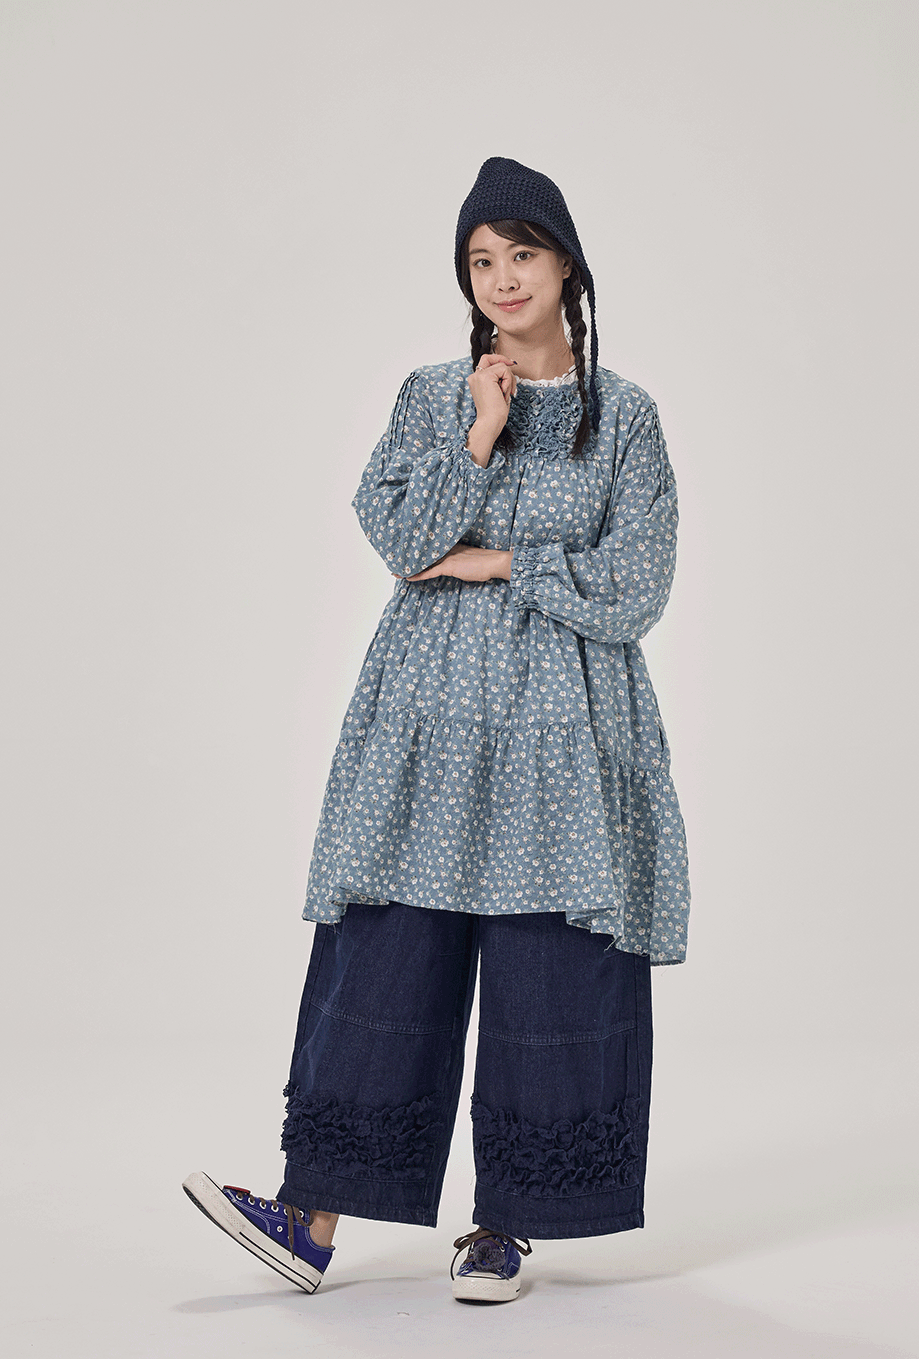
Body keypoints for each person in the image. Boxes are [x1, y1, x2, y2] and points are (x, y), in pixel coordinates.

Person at [183, 156, 691, 1306]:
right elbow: (399, 538)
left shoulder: (624, 419)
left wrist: (498, 561)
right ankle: (308, 1219)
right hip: (428, 714)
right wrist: (478, 431)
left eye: (522, 253)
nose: (501, 277)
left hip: (566, 725)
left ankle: (506, 1226)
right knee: (386, 944)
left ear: (567, 265)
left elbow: (637, 584)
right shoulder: (431, 397)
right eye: (480, 260)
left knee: (547, 961)